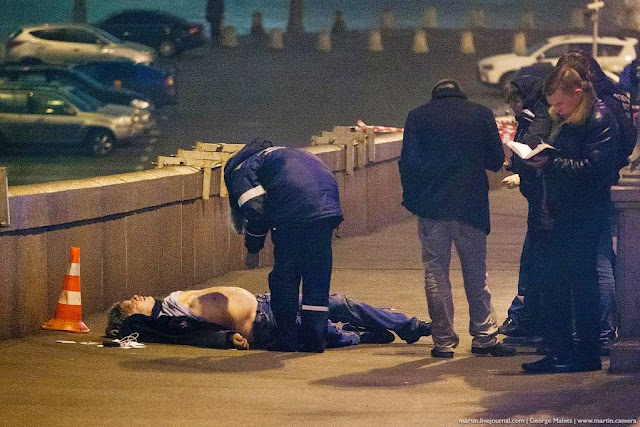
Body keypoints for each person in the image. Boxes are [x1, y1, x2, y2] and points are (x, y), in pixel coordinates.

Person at [399, 79, 515, 359]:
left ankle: (443, 342)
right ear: (460, 95)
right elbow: (495, 160)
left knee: (435, 272)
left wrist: (413, 200)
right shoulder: (480, 113)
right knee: (476, 272)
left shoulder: (417, 116)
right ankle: (485, 336)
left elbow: (408, 163)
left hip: (431, 207)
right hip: (470, 206)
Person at [521, 66, 620, 374]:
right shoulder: (570, 118)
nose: (557, 109)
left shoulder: (599, 118)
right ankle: (560, 350)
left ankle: (585, 353)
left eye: (560, 103)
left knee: (582, 285)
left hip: (583, 214)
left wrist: (550, 164)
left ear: (578, 93)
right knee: (556, 285)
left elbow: (595, 168)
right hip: (563, 212)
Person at [223, 139, 344, 353]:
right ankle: (315, 340)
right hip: (326, 209)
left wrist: (253, 249)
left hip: (293, 212)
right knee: (316, 277)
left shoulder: (241, 169)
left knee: (285, 277)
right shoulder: (287, 153)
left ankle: (286, 339)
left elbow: (256, 210)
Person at [555, 51, 637, 355]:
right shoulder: (615, 97)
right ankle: (602, 330)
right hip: (603, 184)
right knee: (603, 259)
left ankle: (601, 332)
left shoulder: (598, 109)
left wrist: (555, 163)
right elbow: (628, 137)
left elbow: (596, 158)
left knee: (599, 261)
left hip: (592, 192)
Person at [105, 286, 433, 350]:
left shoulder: (168, 301)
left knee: (338, 302)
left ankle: (408, 326)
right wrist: (226, 340)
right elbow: (192, 337)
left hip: (266, 302)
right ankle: (357, 335)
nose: (135, 297)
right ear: (134, 318)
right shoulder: (165, 322)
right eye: (129, 304)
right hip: (261, 324)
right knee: (324, 331)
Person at [498, 75, 553, 341]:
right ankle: (527, 318)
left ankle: (528, 320)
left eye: (516, 101)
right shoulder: (529, 118)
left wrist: (520, 167)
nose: (513, 106)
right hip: (538, 200)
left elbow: (533, 148)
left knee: (535, 261)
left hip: (544, 203)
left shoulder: (538, 118)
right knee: (533, 260)